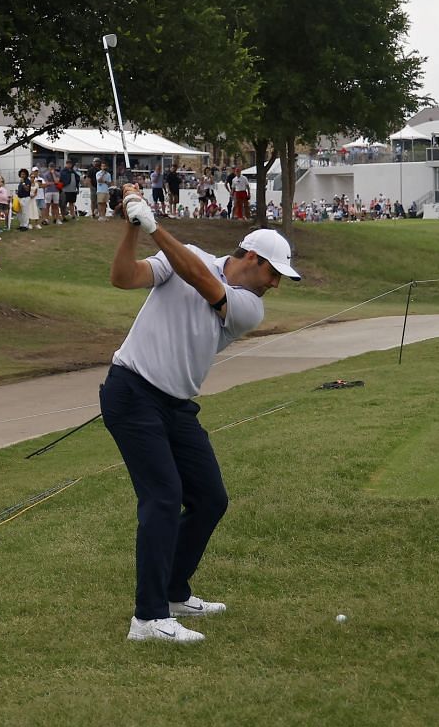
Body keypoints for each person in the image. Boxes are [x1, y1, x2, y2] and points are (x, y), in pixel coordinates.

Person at [101, 191, 299, 645]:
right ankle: (148, 619)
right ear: (251, 257)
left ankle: (172, 592)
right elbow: (122, 277)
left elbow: (201, 280)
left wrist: (153, 226)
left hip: (176, 406)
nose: (275, 284)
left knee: (210, 499)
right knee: (164, 498)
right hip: (131, 392)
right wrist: (132, 226)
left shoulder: (248, 307)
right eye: (273, 272)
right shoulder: (183, 256)